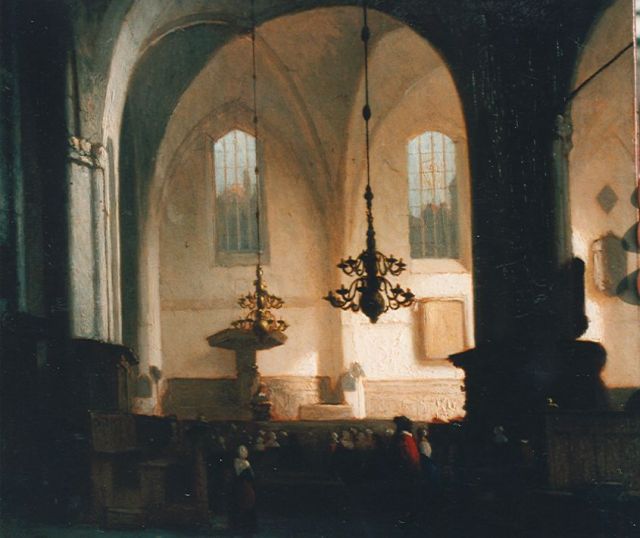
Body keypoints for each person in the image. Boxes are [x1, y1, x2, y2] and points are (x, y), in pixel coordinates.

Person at [230, 445, 256, 531]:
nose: (245, 452)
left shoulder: (235, 462)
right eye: (243, 451)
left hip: (238, 487)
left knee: (240, 505)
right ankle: (246, 526)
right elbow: (252, 477)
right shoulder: (245, 463)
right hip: (245, 487)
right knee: (246, 504)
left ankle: (239, 526)